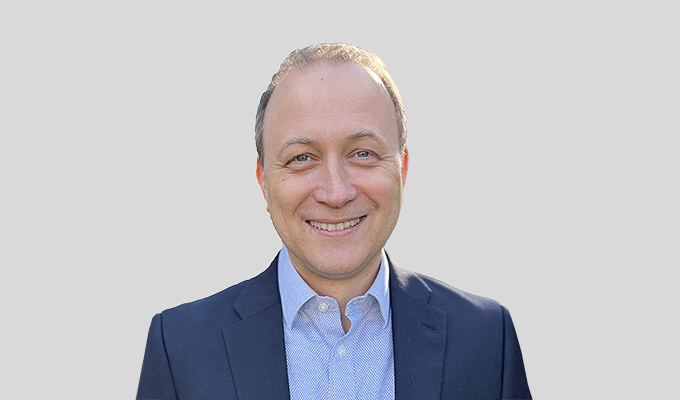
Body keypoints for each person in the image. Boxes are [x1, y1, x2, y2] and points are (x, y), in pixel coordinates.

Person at [137, 43, 531, 400]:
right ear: (264, 181)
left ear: (402, 169)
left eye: (362, 153)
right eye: (302, 158)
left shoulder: (484, 338)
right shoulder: (180, 349)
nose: (336, 192)